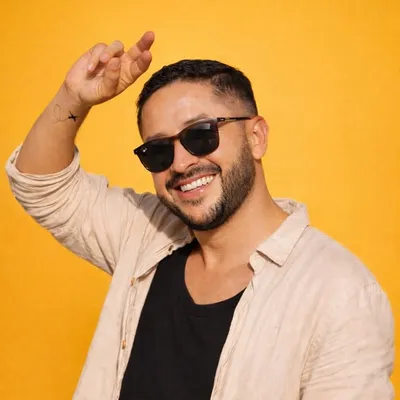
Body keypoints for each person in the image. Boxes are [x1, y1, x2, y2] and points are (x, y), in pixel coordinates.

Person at [5, 31, 394, 400]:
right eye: (158, 150)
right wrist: (74, 97)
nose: (180, 163)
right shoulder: (144, 235)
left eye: (201, 134)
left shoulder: (340, 294)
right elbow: (41, 185)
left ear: (256, 137)